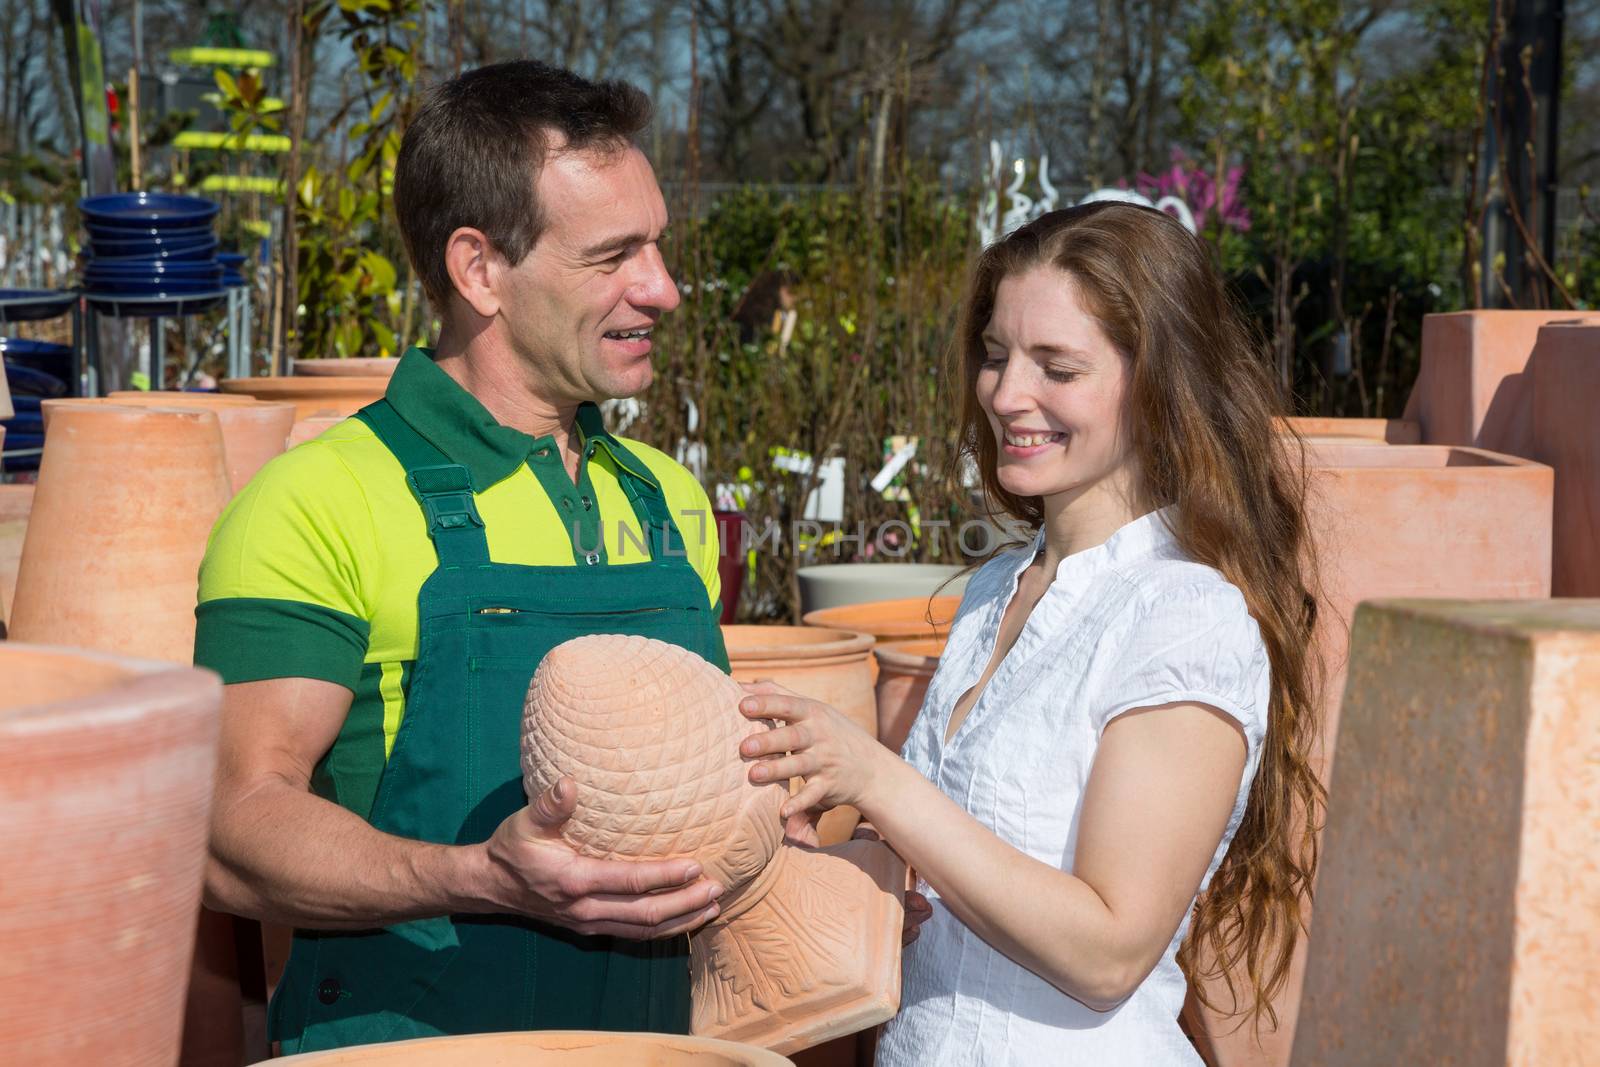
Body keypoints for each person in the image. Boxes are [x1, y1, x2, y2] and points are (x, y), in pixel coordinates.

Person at [196, 61, 729, 1053]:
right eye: (613, 254)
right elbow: (232, 826)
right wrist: (477, 876)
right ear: (478, 269)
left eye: (657, 245)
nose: (663, 288)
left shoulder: (667, 499)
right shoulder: (317, 500)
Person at [737, 202, 1324, 1064]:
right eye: (997, 354)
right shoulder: (994, 589)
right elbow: (965, 844)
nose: (1008, 394)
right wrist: (862, 859)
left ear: (1158, 380)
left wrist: (878, 779)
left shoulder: (1182, 615)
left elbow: (1109, 951)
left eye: (1058, 366)